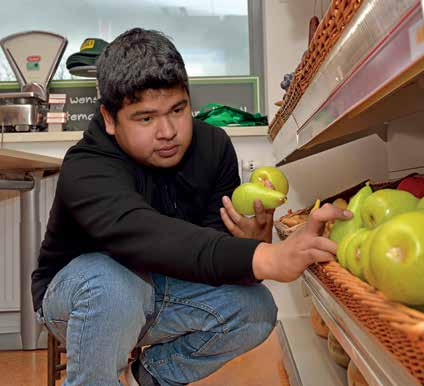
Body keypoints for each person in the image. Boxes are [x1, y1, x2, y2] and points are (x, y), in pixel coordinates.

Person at [31, 28, 349, 386]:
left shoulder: (213, 147)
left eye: (178, 109)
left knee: (256, 309)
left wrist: (249, 249)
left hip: (163, 289)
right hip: (79, 297)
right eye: (145, 118)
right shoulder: (86, 165)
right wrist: (267, 258)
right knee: (112, 281)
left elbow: (208, 259)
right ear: (109, 118)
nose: (168, 131)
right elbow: (143, 235)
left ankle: (149, 378)